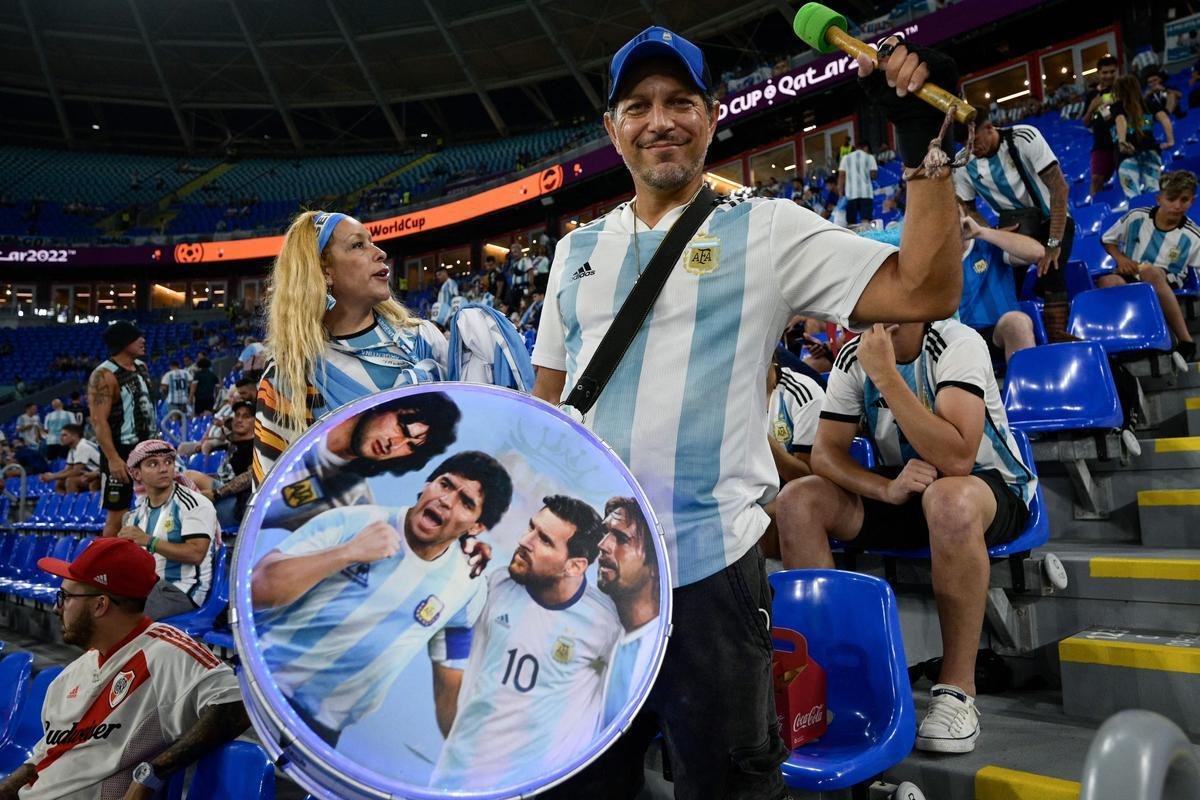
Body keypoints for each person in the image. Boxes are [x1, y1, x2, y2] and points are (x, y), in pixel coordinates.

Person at [531, 27, 963, 798]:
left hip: (711, 575)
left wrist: (925, 157)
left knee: (727, 787)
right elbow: (547, 413)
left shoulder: (769, 228)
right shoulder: (575, 252)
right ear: (612, 129)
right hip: (584, 582)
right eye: (638, 105)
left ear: (712, 114)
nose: (659, 120)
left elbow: (925, 292)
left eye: (679, 102)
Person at [775, 320, 1036, 754]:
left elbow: (957, 457)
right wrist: (885, 489)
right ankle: (829, 685)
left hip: (990, 487)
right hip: (912, 487)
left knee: (948, 500)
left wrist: (886, 375)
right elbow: (824, 453)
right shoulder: (851, 355)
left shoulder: (957, 342)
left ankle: (957, 690)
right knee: (798, 500)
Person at [250, 451, 512, 747]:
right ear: (428, 482)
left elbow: (449, 683)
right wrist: (347, 553)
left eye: (466, 503)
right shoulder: (353, 520)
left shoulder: (468, 586)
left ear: (476, 527)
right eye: (445, 484)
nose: (446, 500)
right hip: (262, 689)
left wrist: (467, 756)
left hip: (322, 733)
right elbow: (258, 589)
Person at [0, 538, 247, 800]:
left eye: (65, 597)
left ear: (100, 605)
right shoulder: (70, 675)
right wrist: (10, 786)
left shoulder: (166, 651)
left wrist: (153, 772)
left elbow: (239, 704)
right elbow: (50, 751)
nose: (56, 607)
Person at [430, 495, 620, 791]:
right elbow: (449, 638)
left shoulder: (605, 624)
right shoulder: (495, 586)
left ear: (574, 566)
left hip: (540, 786)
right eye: (531, 527)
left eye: (544, 540)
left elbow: (612, 707)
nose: (526, 540)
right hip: (458, 776)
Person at [253, 211, 449, 484]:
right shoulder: (290, 376)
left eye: (372, 242)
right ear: (324, 271)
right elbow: (270, 494)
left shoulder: (423, 338)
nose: (379, 253)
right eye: (358, 245)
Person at [261, 391, 460, 529]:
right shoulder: (304, 410)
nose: (396, 444)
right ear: (387, 404)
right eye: (402, 427)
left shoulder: (353, 503)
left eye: (411, 446)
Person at [955, 111, 1074, 301]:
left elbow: (1059, 188)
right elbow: (968, 209)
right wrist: (992, 232)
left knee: (1052, 272)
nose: (971, 148)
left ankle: (1055, 328)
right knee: (1005, 287)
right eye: (964, 144)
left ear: (989, 127)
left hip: (1052, 222)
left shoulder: (1024, 137)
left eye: (974, 140)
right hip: (1015, 229)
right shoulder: (962, 164)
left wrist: (1053, 243)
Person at [1098, 169, 1200, 361]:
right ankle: (1126, 341)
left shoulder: (1193, 235)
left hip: (1168, 278)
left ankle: (1186, 340)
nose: (1178, 205)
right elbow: (1107, 240)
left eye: (1184, 200)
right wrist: (1121, 258)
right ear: (1159, 198)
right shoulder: (1136, 216)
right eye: (1172, 198)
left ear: (1192, 201)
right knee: (1108, 281)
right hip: (1130, 274)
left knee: (1151, 273)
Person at [116, 439, 221, 621]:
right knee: (101, 603)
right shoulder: (137, 514)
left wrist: (149, 540)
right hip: (150, 586)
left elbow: (196, 554)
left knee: (124, 622)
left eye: (168, 462)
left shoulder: (194, 503)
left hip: (183, 590)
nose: (163, 468)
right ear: (136, 473)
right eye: (153, 464)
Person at [595, 497, 661, 731]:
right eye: (605, 533)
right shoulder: (612, 637)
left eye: (621, 538)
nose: (603, 545)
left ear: (656, 564)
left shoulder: (658, 648)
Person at [88, 321, 158, 538]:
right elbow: (98, 421)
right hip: (121, 450)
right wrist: (113, 458)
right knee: (117, 515)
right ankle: (104, 567)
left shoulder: (141, 367)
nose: (143, 340)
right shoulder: (104, 374)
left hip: (147, 449)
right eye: (137, 337)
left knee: (153, 507)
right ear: (123, 342)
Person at [956, 214, 1046, 363]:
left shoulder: (989, 244)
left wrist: (982, 232)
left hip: (997, 334)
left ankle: (1023, 385)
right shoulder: (932, 263)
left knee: (1017, 322)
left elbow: (1038, 253)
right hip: (958, 344)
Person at [187, 400, 255, 530]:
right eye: (237, 415)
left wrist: (217, 493)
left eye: (246, 416)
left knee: (189, 476)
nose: (239, 420)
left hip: (238, 505)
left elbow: (250, 477)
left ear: (256, 421)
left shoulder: (255, 447)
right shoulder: (234, 443)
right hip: (224, 497)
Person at [1110, 75, 1174, 198]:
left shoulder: (1117, 106)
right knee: (1154, 190)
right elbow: (1165, 119)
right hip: (1150, 151)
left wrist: (1122, 141)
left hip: (1127, 155)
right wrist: (1170, 140)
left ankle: (1141, 216)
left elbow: (1121, 120)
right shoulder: (1149, 103)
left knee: (1132, 194)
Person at [1083, 55, 1120, 196]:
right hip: (1100, 143)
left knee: (1124, 176)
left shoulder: (1121, 89)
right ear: (1098, 73)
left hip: (1121, 141)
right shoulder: (1092, 95)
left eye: (1112, 71)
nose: (1109, 75)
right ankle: (1094, 209)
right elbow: (1086, 122)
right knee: (1096, 179)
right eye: (1105, 72)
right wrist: (1092, 107)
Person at [39, 424, 100, 494]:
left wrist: (52, 477)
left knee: (71, 481)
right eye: (61, 435)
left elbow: (77, 471)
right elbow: (68, 469)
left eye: (64, 435)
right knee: (60, 482)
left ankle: (77, 504)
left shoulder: (82, 446)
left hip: (101, 475)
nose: (61, 438)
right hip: (91, 475)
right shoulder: (72, 449)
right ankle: (65, 504)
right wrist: (52, 475)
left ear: (75, 436)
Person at [837, 141, 878, 225]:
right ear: (865, 147)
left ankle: (852, 237)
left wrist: (841, 192)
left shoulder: (846, 158)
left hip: (851, 195)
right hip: (866, 193)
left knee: (851, 222)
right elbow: (873, 175)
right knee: (865, 221)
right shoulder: (870, 157)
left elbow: (841, 176)